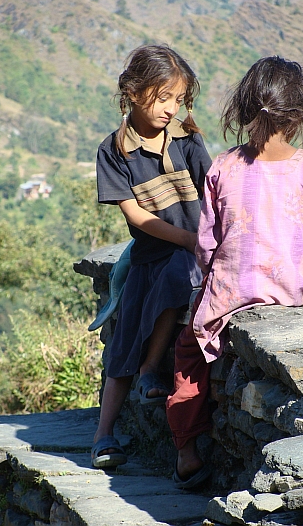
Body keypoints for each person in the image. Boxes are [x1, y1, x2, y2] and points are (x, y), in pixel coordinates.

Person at [166, 56, 303, 489]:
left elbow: (206, 246)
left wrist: (215, 282)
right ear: (297, 115)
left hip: (226, 295)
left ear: (245, 108)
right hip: (289, 290)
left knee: (188, 357)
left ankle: (185, 451)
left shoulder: (222, 167)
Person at [91, 44, 212, 469]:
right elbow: (136, 215)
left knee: (182, 277)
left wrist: (203, 241)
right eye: (163, 98)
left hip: (190, 254)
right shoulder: (114, 150)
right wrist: (184, 237)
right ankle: (103, 436)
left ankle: (149, 371)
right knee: (122, 342)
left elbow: (213, 192)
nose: (170, 108)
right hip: (149, 253)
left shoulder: (187, 139)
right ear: (133, 91)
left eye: (178, 99)